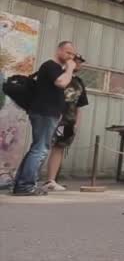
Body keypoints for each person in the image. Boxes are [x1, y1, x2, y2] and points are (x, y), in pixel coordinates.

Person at [13, 41, 76, 196]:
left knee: (37, 147)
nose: (71, 57)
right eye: (68, 53)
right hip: (45, 113)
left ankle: (21, 184)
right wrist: (70, 69)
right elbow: (62, 83)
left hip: (46, 113)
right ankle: (26, 186)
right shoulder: (51, 66)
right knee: (40, 149)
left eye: (73, 54)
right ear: (59, 50)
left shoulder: (54, 68)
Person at [42, 54, 89, 191]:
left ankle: (51, 180)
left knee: (59, 147)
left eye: (80, 62)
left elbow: (80, 106)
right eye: (77, 62)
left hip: (68, 121)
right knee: (42, 145)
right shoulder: (58, 75)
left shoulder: (79, 82)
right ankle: (29, 178)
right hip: (53, 117)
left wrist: (76, 124)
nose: (79, 65)